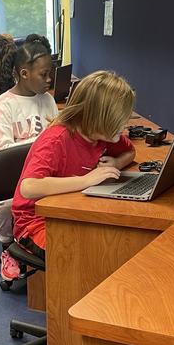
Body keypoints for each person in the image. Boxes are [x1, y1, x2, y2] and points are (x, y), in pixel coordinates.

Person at [11, 70, 136, 260]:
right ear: (98, 117)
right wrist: (86, 180)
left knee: (116, 244)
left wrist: (117, 162)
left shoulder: (104, 135)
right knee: (86, 256)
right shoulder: (57, 139)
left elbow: (130, 152)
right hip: (36, 222)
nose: (124, 126)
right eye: (119, 120)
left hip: (72, 210)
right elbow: (28, 187)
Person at [0, 39, 59, 280]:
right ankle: (9, 248)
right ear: (24, 73)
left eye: (51, 73)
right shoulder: (3, 106)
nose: (49, 80)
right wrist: (42, 148)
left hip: (46, 177)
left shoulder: (47, 99)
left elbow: (57, 136)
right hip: (19, 181)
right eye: (44, 74)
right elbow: (5, 154)